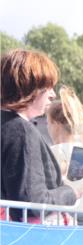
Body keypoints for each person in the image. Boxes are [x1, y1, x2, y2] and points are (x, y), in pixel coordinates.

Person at [0, 49, 78, 218]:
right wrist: (70, 192)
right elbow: (32, 203)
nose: (53, 94)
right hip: (25, 239)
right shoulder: (20, 131)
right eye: (47, 87)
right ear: (28, 86)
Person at [46, 86, 83, 219]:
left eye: (48, 123)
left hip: (62, 226)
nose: (47, 128)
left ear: (56, 124)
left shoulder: (50, 153)